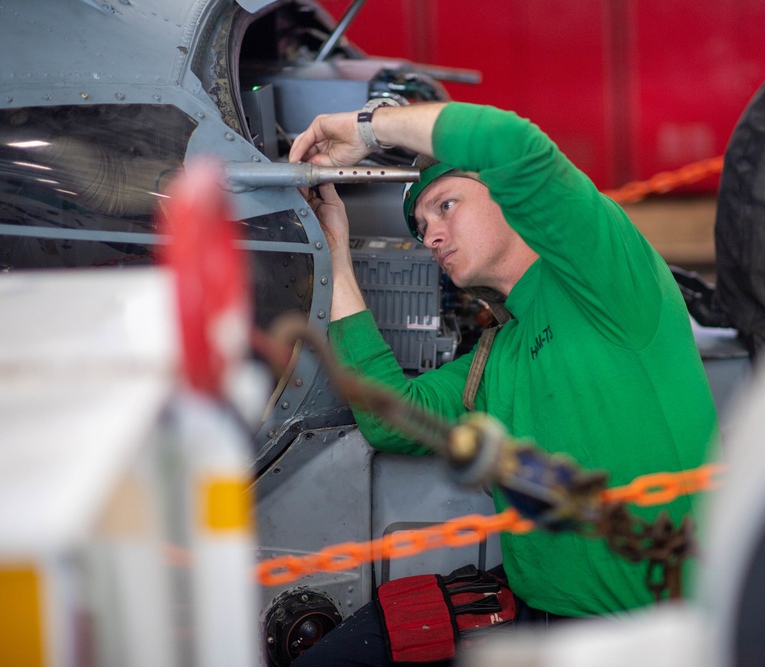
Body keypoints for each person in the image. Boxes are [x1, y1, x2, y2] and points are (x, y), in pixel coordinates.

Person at [287, 101, 719, 665]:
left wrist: (365, 128)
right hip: (539, 623)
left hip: (649, 638)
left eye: (447, 206)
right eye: (422, 229)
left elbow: (511, 142)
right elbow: (388, 416)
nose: (433, 236)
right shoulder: (498, 355)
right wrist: (336, 255)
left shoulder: (606, 282)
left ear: (508, 197)